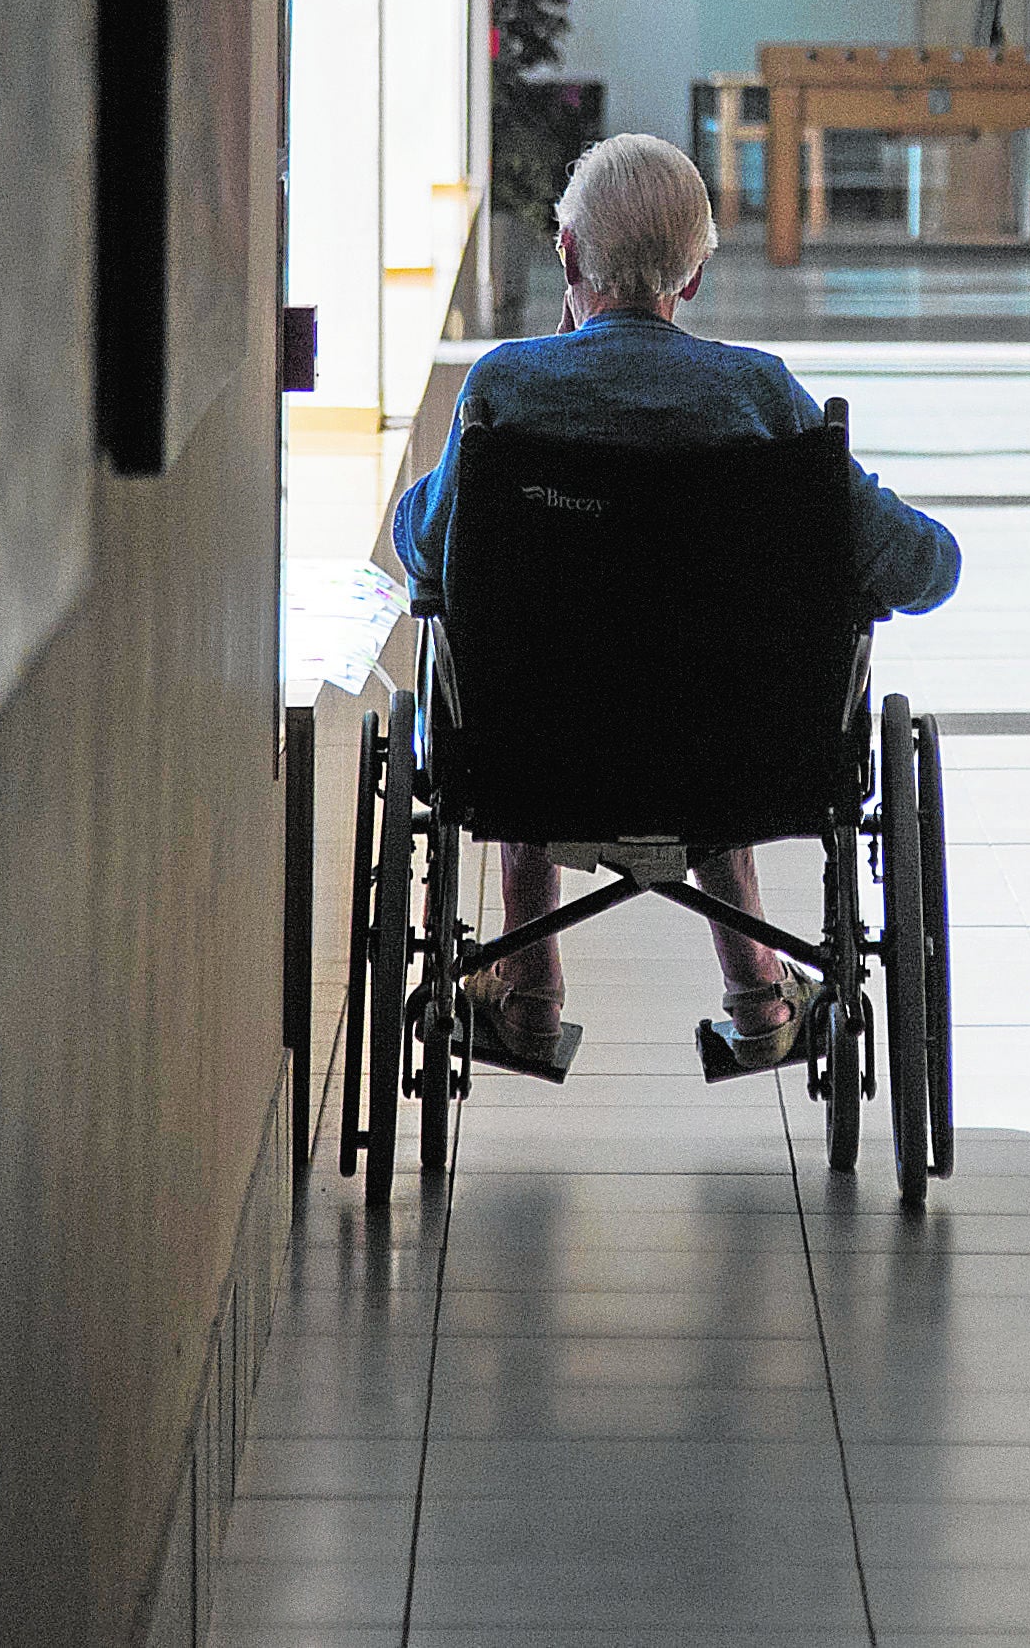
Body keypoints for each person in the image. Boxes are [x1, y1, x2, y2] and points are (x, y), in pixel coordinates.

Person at [392, 133, 960, 1076]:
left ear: (568, 256)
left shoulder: (505, 392)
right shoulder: (763, 399)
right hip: (741, 755)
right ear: (692, 278)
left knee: (518, 655)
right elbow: (922, 569)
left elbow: (427, 548)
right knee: (706, 665)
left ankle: (529, 992)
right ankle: (760, 992)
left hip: (533, 759)